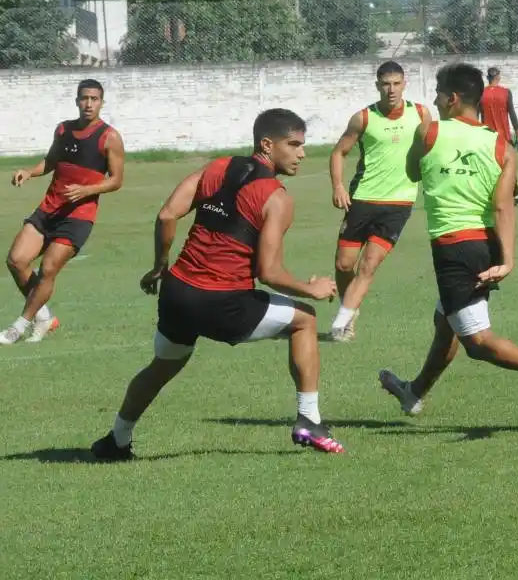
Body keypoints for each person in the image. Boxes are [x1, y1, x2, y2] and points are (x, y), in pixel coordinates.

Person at [91, 109, 345, 461]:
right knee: (305, 318)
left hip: (177, 292)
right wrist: (310, 288)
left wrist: (159, 266)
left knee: (163, 365)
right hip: (223, 302)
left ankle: (116, 440)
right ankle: (309, 419)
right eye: (294, 144)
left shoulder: (217, 168)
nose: (302, 153)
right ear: (267, 144)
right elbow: (268, 272)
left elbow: (167, 214)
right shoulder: (277, 198)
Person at [378, 63, 518, 422]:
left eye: (437, 94)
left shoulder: (429, 132)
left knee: (477, 342)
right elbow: (502, 207)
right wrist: (508, 260)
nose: (433, 101)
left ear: (451, 99)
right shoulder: (502, 146)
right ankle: (414, 392)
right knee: (445, 322)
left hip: (453, 248)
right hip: (487, 248)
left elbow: (411, 172)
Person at [3, 79, 125, 345]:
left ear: (101, 103)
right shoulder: (63, 130)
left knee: (47, 269)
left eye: (94, 99)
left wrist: (86, 190)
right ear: (77, 101)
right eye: (84, 98)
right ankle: (44, 316)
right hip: (48, 209)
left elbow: (116, 180)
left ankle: (18, 327)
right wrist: (29, 172)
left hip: (78, 217)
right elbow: (50, 161)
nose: (89, 104)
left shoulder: (110, 137)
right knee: (16, 261)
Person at [328, 60, 432, 342]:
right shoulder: (363, 118)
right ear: (377, 86)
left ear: (405, 84)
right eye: (386, 84)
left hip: (399, 203)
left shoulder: (421, 114)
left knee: (368, 265)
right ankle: (349, 306)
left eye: (396, 83)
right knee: (343, 265)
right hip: (362, 199)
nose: (391, 90)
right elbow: (339, 152)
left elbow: (433, 149)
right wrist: (338, 186)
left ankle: (343, 323)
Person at [480, 66, 518, 207]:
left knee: (488, 168)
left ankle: (489, 198)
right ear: (498, 77)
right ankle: (517, 197)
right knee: (510, 166)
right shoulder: (506, 93)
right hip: (504, 137)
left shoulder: (481, 94)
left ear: (488, 78)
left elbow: (477, 115)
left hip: (487, 137)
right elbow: (512, 113)